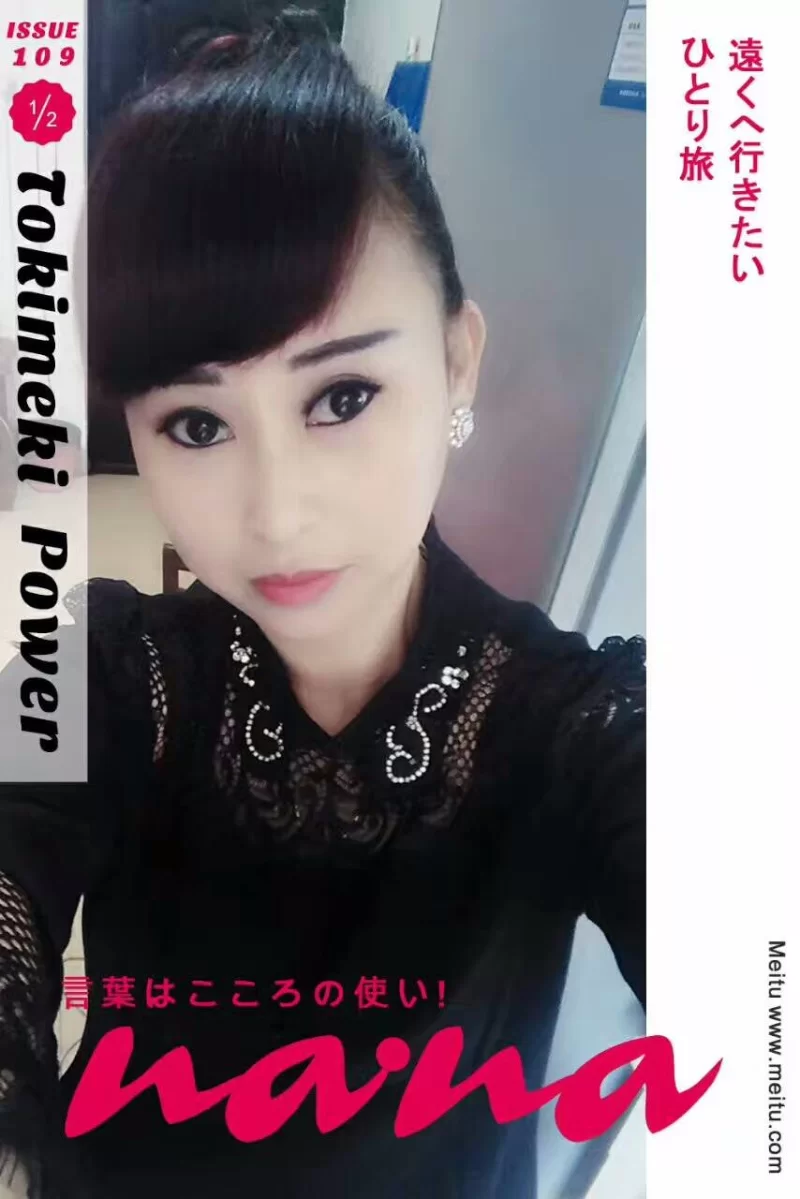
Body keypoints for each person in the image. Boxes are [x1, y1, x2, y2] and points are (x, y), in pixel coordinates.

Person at [0, 11, 645, 1198]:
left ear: (455, 361)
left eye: (341, 396)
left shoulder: (577, 726)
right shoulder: (105, 669)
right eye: (196, 422)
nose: (276, 509)